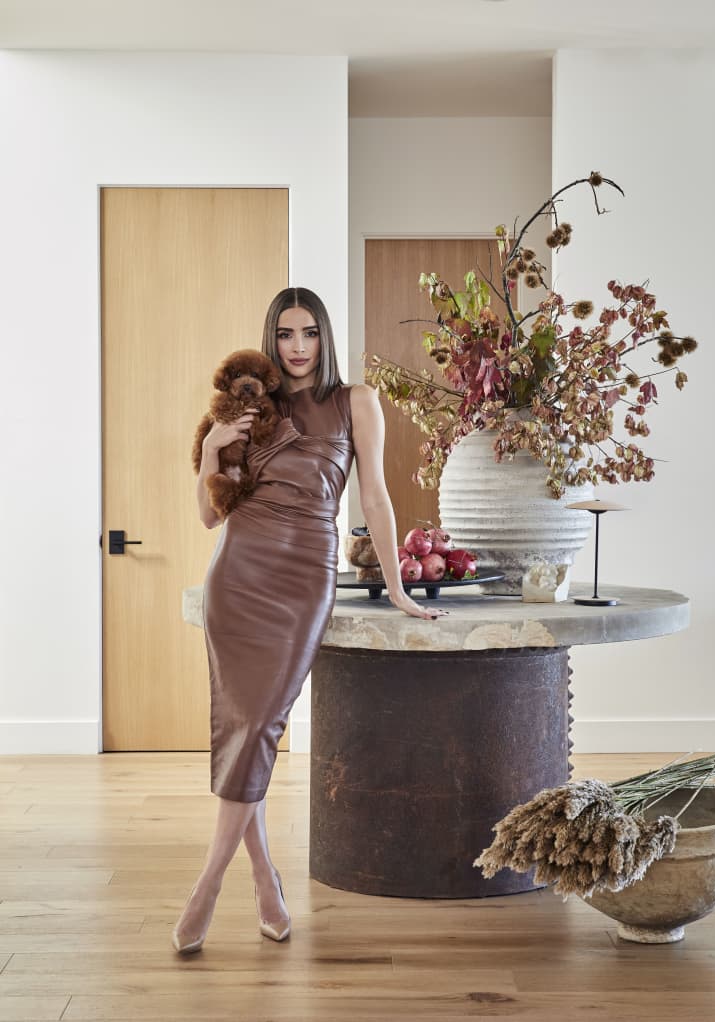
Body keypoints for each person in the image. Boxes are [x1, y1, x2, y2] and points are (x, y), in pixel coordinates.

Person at [172, 286, 450, 954]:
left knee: (261, 724)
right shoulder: (250, 408)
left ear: (325, 337)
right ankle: (264, 881)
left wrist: (396, 587)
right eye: (286, 335)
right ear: (272, 340)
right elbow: (213, 515)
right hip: (236, 576)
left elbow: (377, 501)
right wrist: (212, 452)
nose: (297, 348)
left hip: (302, 583)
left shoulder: (356, 401)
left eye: (309, 334)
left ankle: (209, 884)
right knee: (247, 730)